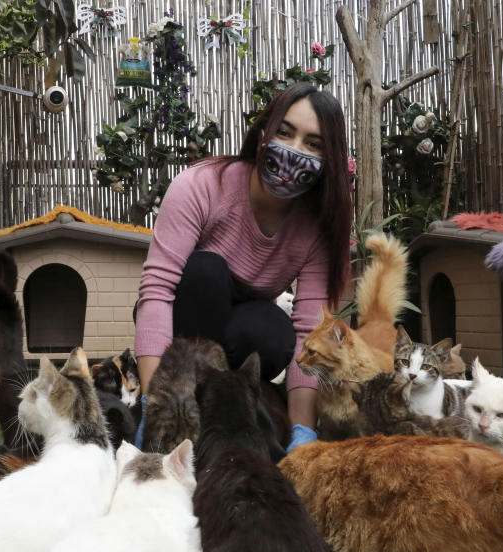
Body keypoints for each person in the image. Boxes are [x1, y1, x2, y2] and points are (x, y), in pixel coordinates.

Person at [133, 82, 353, 452]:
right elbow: (157, 290)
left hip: (240, 334)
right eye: (285, 133)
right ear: (263, 132)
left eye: (313, 144)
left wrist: (304, 432)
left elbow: (308, 332)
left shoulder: (317, 226)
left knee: (274, 333)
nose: (294, 151)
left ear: (329, 158)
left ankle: (229, 399)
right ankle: (185, 397)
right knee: (207, 273)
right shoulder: (201, 186)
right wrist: (151, 404)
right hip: (186, 318)